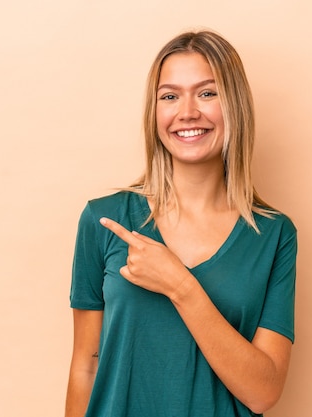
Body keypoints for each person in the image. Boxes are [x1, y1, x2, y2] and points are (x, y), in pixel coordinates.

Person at [65, 29, 297, 417]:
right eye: (169, 96)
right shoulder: (104, 220)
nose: (187, 112)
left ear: (235, 106)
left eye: (207, 93)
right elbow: (85, 367)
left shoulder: (273, 234)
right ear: (154, 112)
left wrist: (181, 286)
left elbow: (264, 392)